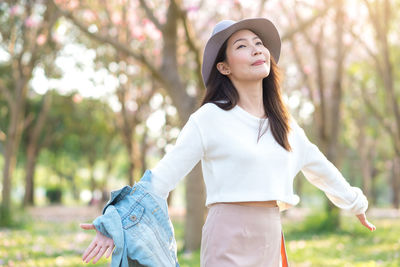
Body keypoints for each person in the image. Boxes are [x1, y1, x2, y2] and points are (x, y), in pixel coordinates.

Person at [79, 17, 376, 266]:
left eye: (259, 44)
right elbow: (161, 178)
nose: (257, 50)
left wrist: (354, 202)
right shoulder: (209, 119)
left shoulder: (284, 124)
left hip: (271, 236)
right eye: (242, 46)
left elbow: (318, 167)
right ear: (224, 67)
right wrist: (114, 223)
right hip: (227, 235)